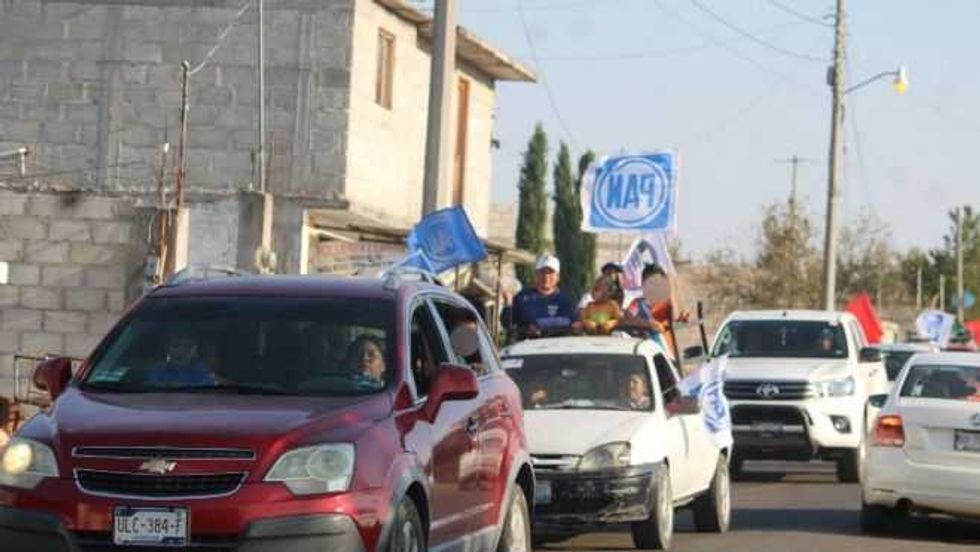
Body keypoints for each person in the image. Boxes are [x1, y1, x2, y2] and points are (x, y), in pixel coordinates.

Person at [620, 264, 689, 356]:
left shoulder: (667, 303)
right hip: (645, 354)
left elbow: (674, 317)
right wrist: (649, 324)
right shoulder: (639, 303)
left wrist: (671, 290)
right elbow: (628, 318)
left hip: (666, 354)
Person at [511, 254, 577, 339]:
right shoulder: (522, 298)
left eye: (551, 272)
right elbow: (511, 322)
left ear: (558, 277)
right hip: (527, 347)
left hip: (557, 348)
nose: (546, 276)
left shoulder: (565, 301)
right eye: (542, 272)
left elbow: (568, 320)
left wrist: (538, 324)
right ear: (536, 274)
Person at [144, 331, 216, 387]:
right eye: (176, 346)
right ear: (167, 348)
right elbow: (151, 390)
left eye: (188, 347)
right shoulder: (159, 370)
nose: (181, 352)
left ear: (195, 350)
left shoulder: (202, 370)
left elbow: (207, 388)